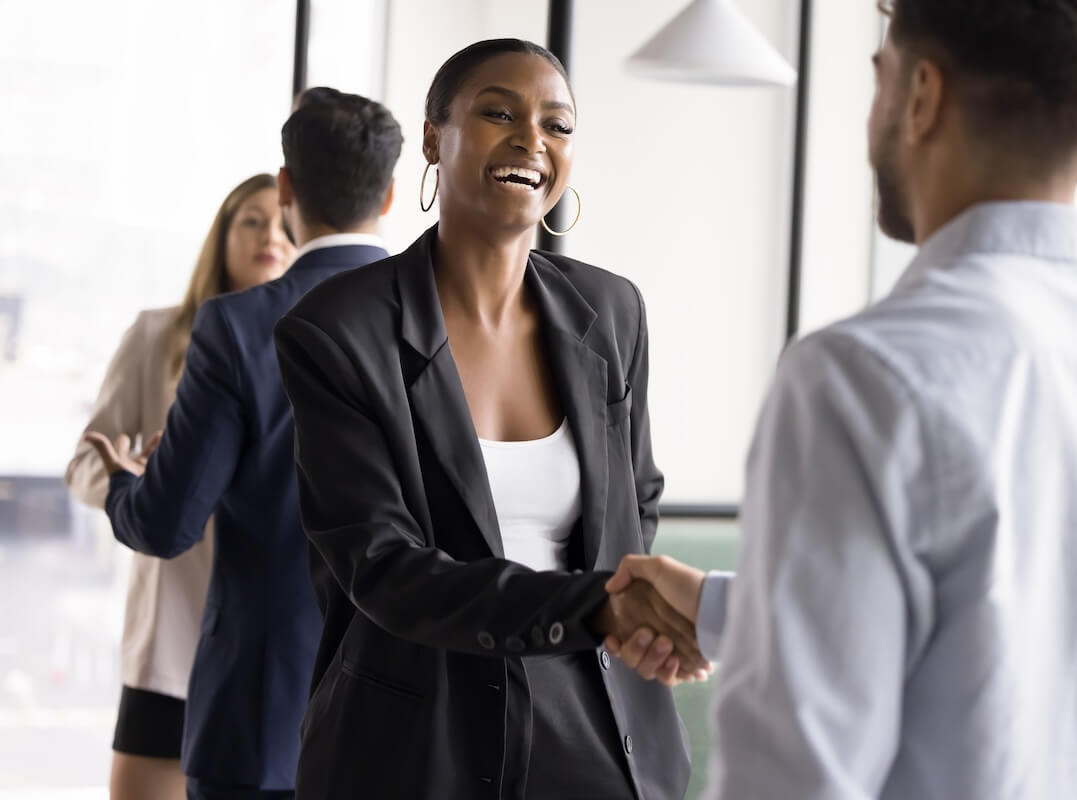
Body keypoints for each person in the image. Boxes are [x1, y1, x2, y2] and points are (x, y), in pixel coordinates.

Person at [612, 1, 1077, 798]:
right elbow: (1035, 636)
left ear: (921, 98)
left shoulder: (858, 376)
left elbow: (796, 781)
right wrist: (726, 610)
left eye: (878, 77)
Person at [273, 39, 705, 800]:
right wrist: (591, 610)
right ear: (435, 136)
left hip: (603, 730)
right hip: (414, 741)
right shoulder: (337, 329)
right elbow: (382, 567)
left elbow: (635, 503)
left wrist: (623, 617)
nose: (531, 139)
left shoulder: (611, 311)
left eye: (557, 124)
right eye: (498, 112)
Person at [83, 87, 403, 800]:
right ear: (387, 197)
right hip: (405, 710)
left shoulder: (235, 326)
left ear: (287, 189)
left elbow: (166, 524)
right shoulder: (442, 320)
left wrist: (128, 481)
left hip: (259, 711)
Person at [65, 174, 294, 800]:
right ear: (221, 235)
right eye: (250, 220)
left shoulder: (317, 346)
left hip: (264, 637)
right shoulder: (156, 335)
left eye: (281, 221)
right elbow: (88, 463)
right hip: (172, 631)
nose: (269, 235)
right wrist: (143, 476)